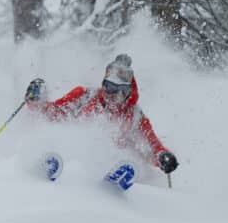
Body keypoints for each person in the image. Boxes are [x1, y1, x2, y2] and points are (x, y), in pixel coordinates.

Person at [24, 54, 179, 185]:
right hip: (73, 161)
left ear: (128, 93)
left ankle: (112, 181)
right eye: (109, 88)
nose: (113, 96)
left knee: (120, 153)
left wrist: (163, 158)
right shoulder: (84, 96)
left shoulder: (135, 116)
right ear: (103, 84)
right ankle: (49, 168)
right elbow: (53, 113)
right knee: (62, 140)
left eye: (120, 92)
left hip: (103, 165)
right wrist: (35, 100)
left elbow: (153, 146)